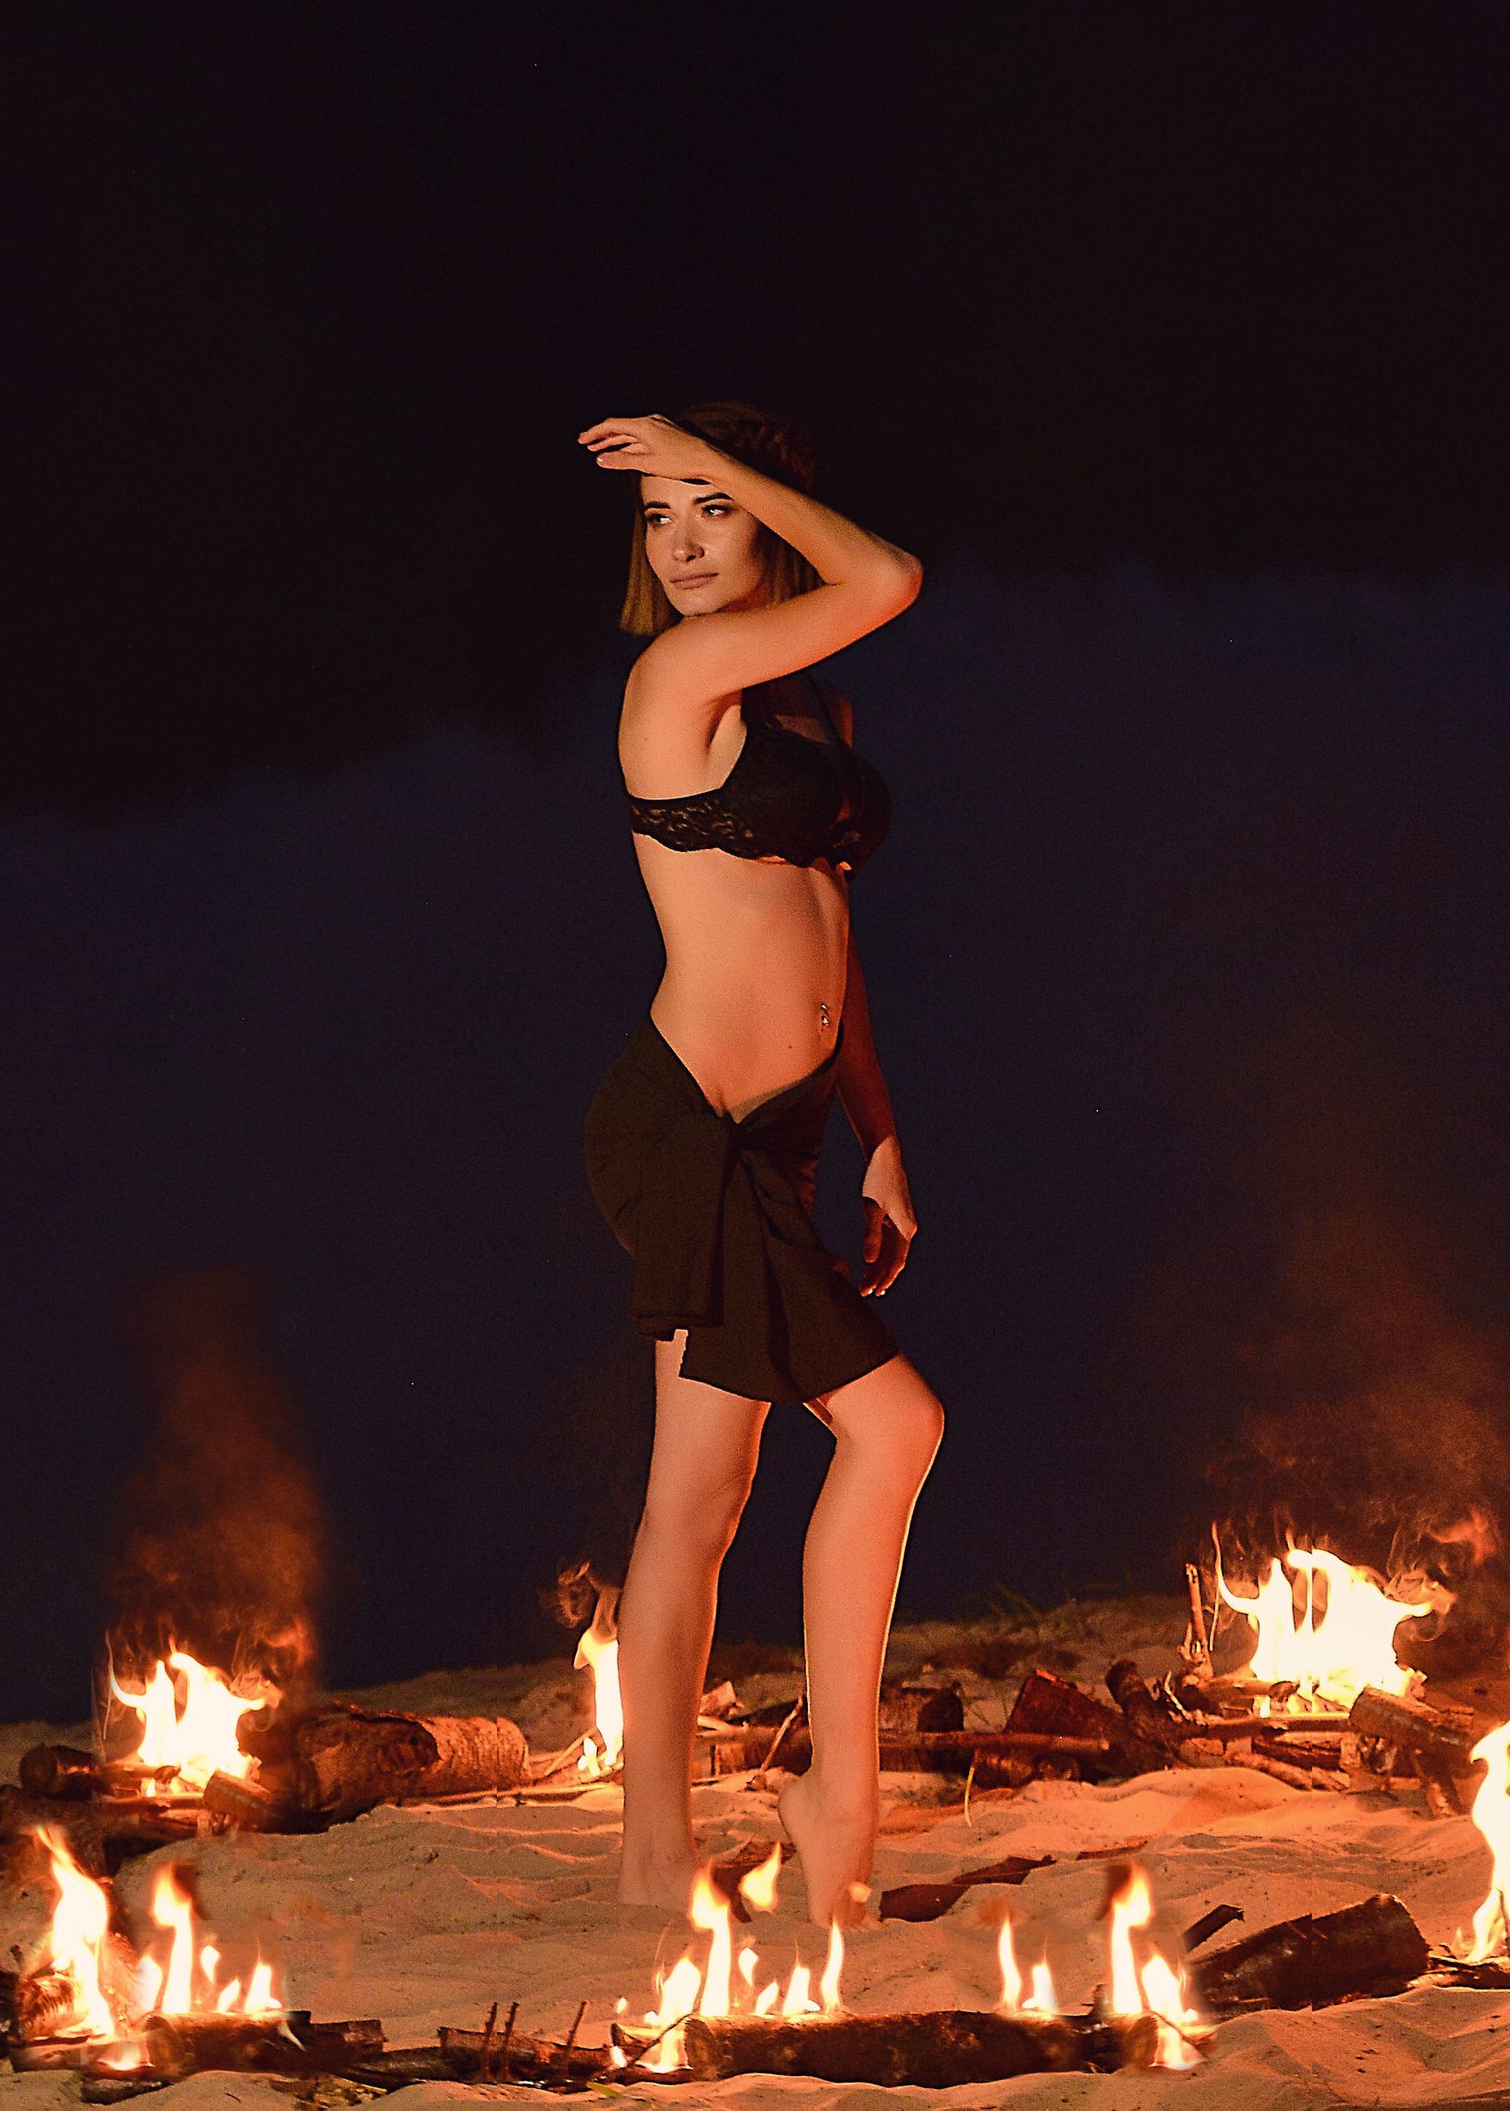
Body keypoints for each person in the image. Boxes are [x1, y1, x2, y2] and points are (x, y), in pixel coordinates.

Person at [579, 405, 943, 1930]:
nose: (682, 540)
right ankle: (829, 1796)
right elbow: (894, 577)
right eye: (663, 514)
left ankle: (667, 1848)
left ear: (767, 519)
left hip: (780, 1137)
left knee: (701, 1500)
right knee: (896, 1427)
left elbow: (829, 937)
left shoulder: (808, 714)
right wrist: (738, 468)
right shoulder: (674, 680)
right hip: (687, 1131)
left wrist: (881, 1134)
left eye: (710, 510)